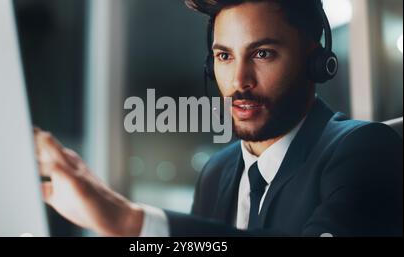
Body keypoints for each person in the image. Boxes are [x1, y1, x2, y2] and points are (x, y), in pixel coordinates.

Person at [33, 0, 403, 236]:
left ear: (317, 60)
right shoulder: (217, 171)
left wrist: (131, 222)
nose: (239, 81)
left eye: (262, 54)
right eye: (224, 57)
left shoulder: (364, 150)